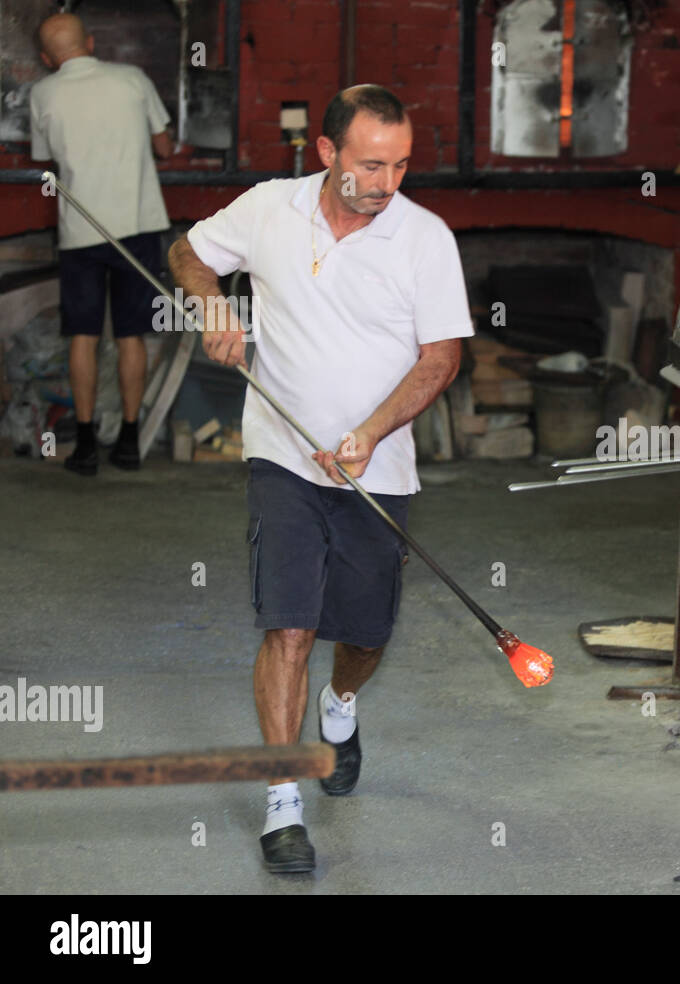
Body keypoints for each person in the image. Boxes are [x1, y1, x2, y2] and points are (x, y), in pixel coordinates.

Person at [168, 85, 471, 873]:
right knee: (290, 625)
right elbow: (189, 255)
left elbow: (442, 356)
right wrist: (212, 308)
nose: (387, 182)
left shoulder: (423, 238)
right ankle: (282, 802)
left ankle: (342, 707)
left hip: (379, 467)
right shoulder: (270, 208)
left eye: (401, 165)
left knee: (363, 633)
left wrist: (370, 433)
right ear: (327, 153)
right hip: (281, 457)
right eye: (372, 164)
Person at [28, 12, 174, 475]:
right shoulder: (133, 79)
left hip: (80, 231)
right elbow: (166, 146)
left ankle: (86, 446)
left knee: (83, 336)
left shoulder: (43, 92)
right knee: (132, 334)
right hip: (137, 225)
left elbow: (43, 156)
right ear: (90, 42)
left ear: (48, 58)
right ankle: (130, 442)